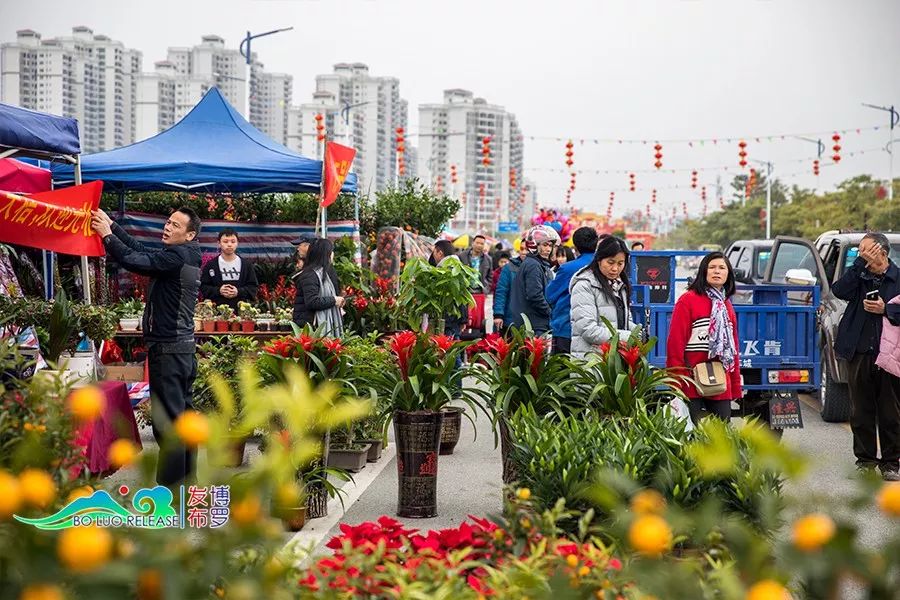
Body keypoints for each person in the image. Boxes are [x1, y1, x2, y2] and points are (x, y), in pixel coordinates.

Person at [91, 207, 202, 486]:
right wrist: (113, 227)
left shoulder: (178, 255)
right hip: (181, 352)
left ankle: (170, 492)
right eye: (167, 221)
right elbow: (141, 251)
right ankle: (187, 485)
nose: (167, 227)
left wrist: (106, 236)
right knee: (183, 421)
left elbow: (135, 260)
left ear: (189, 234)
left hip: (169, 351)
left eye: (175, 225)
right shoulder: (184, 254)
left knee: (169, 426)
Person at [832, 232, 900, 480]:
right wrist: (859, 265)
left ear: (881, 252)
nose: (860, 254)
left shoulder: (898, 277)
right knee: (861, 410)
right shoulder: (858, 276)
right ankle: (865, 461)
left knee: (891, 411)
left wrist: (887, 309)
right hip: (860, 351)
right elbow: (839, 290)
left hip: (890, 355)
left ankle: (891, 463)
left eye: (866, 250)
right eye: (859, 250)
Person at [666, 252, 742, 425]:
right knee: (691, 436)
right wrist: (678, 380)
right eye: (712, 267)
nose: (717, 271)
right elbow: (675, 343)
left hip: (720, 383)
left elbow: (733, 348)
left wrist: (735, 384)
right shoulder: (688, 300)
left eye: (722, 268)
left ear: (728, 274)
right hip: (691, 382)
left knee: (721, 435)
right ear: (703, 271)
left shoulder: (726, 306)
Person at [547, 227, 599, 355]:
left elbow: (550, 295)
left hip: (566, 328)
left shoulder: (567, 268)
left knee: (562, 371)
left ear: (575, 245)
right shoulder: (602, 266)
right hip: (597, 330)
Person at [508, 225, 560, 335]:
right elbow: (535, 295)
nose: (548, 249)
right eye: (545, 245)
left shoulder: (536, 264)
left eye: (550, 246)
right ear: (534, 245)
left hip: (533, 323)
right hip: (533, 324)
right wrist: (550, 312)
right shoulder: (534, 266)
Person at [293, 238, 344, 335]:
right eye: (330, 252)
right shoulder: (311, 275)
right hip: (310, 328)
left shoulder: (323, 273)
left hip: (313, 326)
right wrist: (334, 300)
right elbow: (312, 302)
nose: (332, 254)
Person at [200, 228, 258, 310]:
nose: (229, 244)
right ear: (219, 243)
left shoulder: (246, 265)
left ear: (237, 243)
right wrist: (219, 290)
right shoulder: (211, 265)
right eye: (225, 241)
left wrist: (238, 291)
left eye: (233, 241)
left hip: (241, 312)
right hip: (216, 312)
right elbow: (203, 287)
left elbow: (253, 287)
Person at [429, 239, 467, 338]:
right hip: (455, 320)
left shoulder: (444, 270)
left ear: (440, 253)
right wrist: (464, 319)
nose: (433, 256)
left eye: (434, 252)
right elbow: (464, 296)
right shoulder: (459, 268)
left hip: (447, 321)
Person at [493, 236, 527, 336]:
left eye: (526, 249)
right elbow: (501, 292)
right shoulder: (509, 268)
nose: (524, 252)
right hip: (510, 319)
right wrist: (498, 314)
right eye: (521, 249)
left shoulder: (538, 267)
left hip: (531, 320)